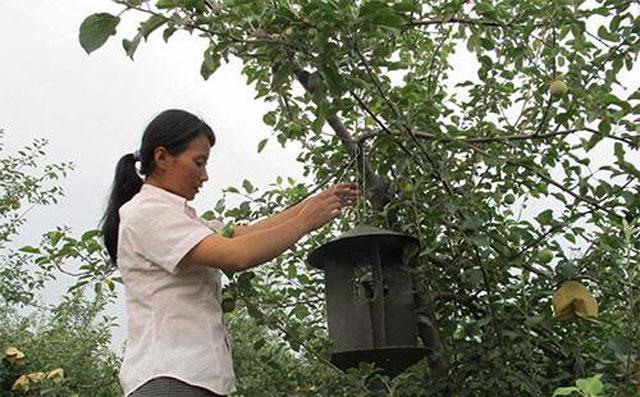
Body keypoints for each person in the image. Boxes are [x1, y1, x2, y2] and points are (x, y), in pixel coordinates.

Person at [101, 109, 358, 397]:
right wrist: (305, 221)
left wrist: (316, 203)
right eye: (198, 162)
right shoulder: (148, 213)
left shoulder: (181, 218)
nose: (205, 175)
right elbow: (237, 254)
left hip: (189, 380)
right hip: (171, 378)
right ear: (161, 158)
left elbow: (243, 234)